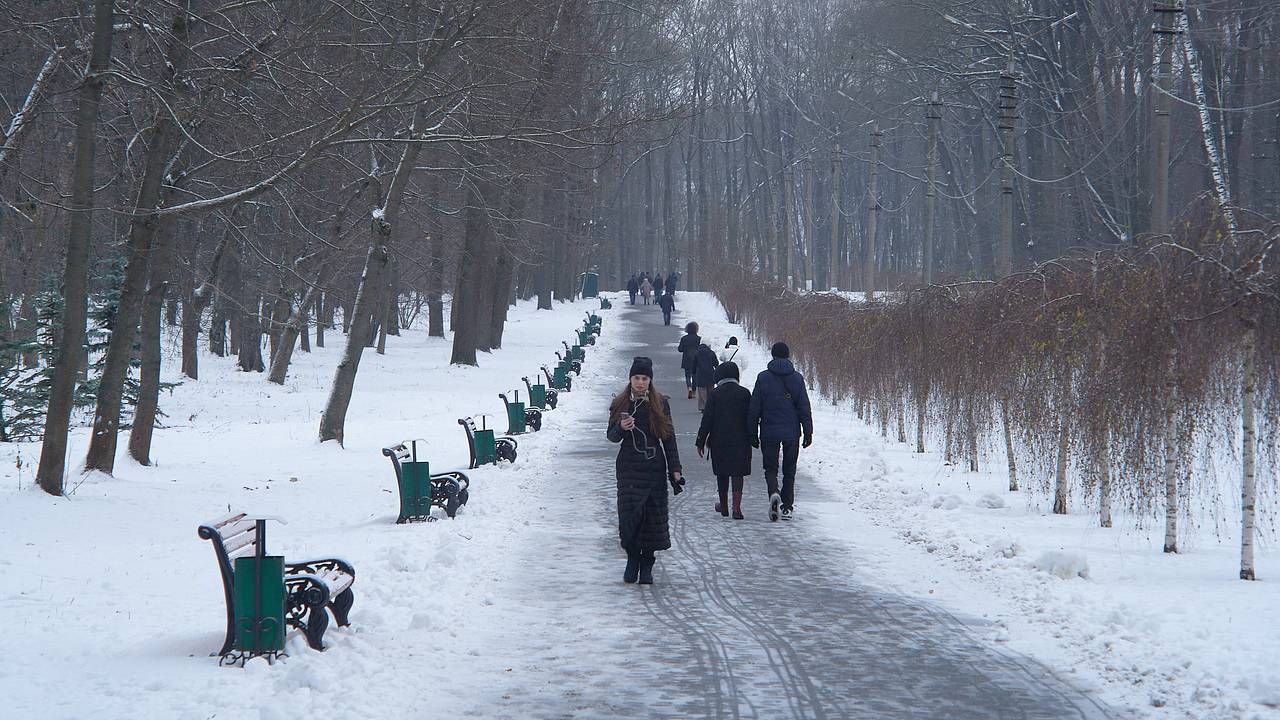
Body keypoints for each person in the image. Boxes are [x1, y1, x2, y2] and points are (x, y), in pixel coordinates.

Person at [607, 357, 683, 585]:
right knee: (630, 517)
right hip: (629, 468)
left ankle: (647, 564)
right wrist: (620, 427)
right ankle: (632, 558)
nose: (640, 383)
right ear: (630, 379)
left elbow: (669, 439)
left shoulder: (660, 403)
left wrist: (675, 469)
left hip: (653, 469)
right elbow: (610, 436)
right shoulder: (620, 403)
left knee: (652, 519)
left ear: (650, 380)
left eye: (645, 378)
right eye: (636, 378)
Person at [747, 342, 813, 521]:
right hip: (792, 432)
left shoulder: (763, 378)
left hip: (769, 430)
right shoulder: (797, 379)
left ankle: (773, 493)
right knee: (789, 469)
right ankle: (787, 507)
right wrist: (808, 431)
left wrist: (752, 432)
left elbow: (754, 407)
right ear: (788, 355)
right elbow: (804, 407)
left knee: (770, 468)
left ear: (773, 355)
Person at [695, 362, 752, 519]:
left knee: (722, 472)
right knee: (737, 472)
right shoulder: (745, 393)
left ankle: (724, 506)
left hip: (719, 440)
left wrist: (700, 441)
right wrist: (753, 436)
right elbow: (751, 418)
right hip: (741, 440)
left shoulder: (715, 394)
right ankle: (736, 508)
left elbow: (707, 419)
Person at [693, 341, 718, 412]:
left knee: (702, 391)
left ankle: (703, 407)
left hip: (700, 374)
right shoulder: (711, 353)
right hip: (710, 374)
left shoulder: (697, 353)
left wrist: (694, 372)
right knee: (710, 390)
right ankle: (711, 405)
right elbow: (716, 363)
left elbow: (694, 364)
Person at [677, 322, 700, 399]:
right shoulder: (699, 339)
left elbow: (680, 349)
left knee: (687, 375)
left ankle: (689, 388)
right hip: (696, 360)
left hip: (686, 359)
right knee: (695, 376)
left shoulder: (684, 338)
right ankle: (693, 391)